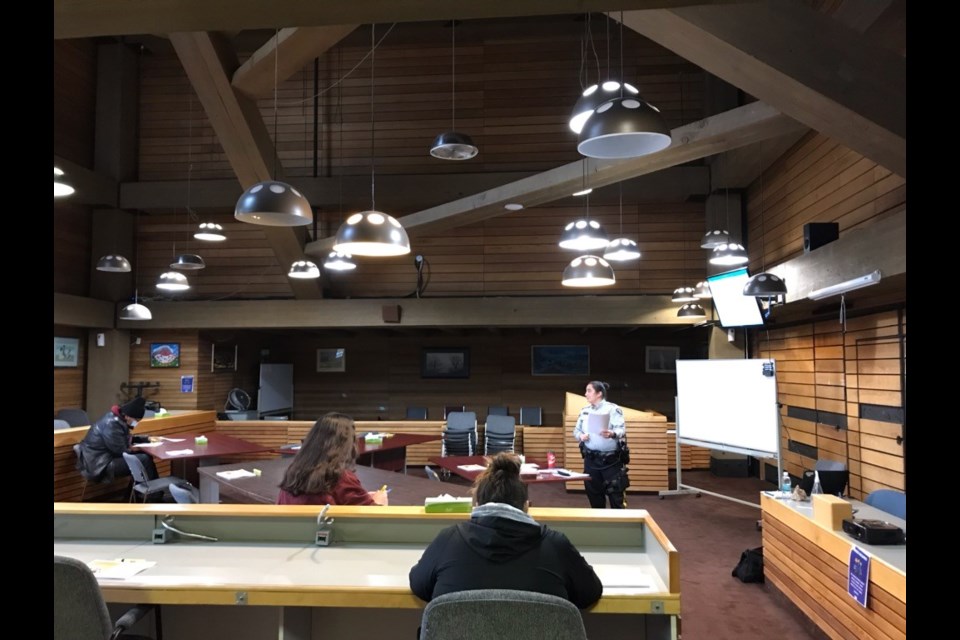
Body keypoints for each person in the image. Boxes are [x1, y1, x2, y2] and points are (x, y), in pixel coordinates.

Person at [408, 452, 602, 609]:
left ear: (477, 504)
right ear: (526, 506)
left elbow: (419, 585)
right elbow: (590, 593)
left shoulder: (449, 540)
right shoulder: (556, 545)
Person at [277, 412, 389, 506]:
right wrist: (380, 502)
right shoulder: (340, 477)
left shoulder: (293, 471)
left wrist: (361, 496)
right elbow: (373, 519)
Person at [75, 396, 159, 483]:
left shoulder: (117, 420)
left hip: (101, 459)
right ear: (127, 416)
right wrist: (140, 449)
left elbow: (123, 439)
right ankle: (152, 494)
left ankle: (142, 493)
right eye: (136, 420)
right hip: (99, 465)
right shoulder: (112, 424)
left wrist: (146, 439)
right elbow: (121, 451)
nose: (136, 423)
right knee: (143, 460)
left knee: (144, 458)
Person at [572, 380, 627, 509]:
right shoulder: (584, 411)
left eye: (589, 391)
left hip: (610, 461)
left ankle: (620, 526)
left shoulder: (613, 409)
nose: (586, 394)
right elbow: (576, 431)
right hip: (591, 460)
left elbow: (622, 430)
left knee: (615, 496)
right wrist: (580, 436)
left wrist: (612, 433)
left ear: (599, 394)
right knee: (594, 495)